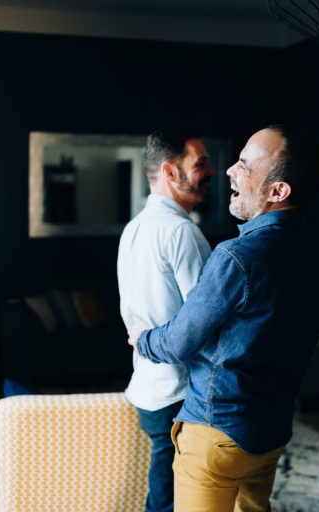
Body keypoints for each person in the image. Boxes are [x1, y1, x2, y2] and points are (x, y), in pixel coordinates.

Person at [129, 124, 319, 512]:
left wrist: (144, 339)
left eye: (243, 165)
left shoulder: (235, 258)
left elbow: (178, 342)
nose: (228, 172)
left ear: (278, 191)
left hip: (217, 431)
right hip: (271, 431)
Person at [117, 127, 216, 512]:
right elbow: (206, 320)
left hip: (149, 386)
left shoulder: (134, 229)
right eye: (201, 164)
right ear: (171, 173)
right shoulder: (181, 233)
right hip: (179, 395)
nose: (210, 172)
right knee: (175, 503)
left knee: (168, 497)